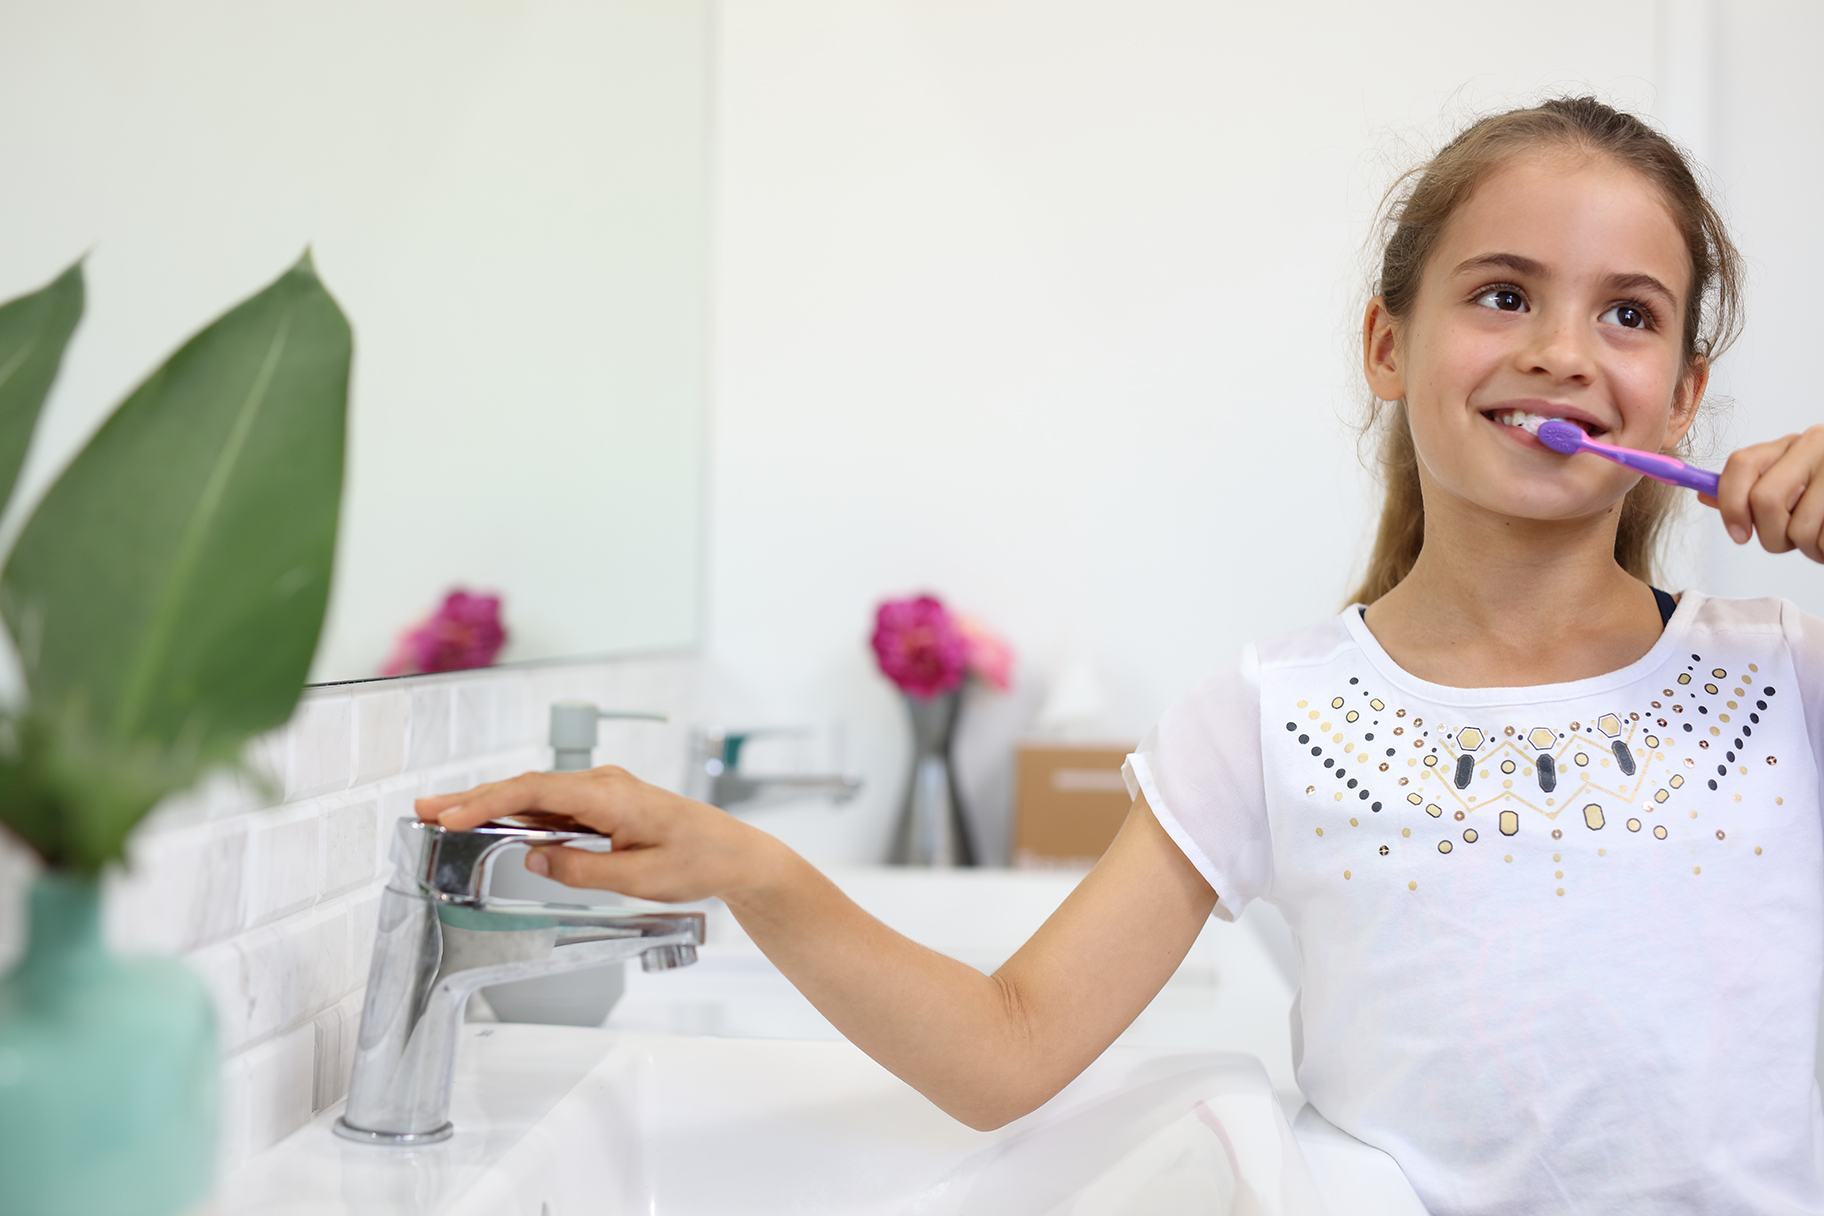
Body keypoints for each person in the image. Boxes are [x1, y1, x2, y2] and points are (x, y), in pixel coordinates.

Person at [419, 97, 1824, 1211]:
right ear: (1387, 345)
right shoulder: (1272, 715)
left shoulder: (1789, 680)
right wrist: (752, 870)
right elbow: (1008, 1047)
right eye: (1504, 294)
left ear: (1683, 396)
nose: (1565, 351)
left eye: (1629, 314)